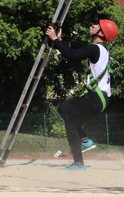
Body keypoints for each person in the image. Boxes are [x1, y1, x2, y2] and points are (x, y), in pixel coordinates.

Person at [44, 19, 118, 169]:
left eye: (97, 25)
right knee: (64, 108)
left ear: (101, 33)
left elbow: (71, 55)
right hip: (99, 97)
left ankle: (78, 163)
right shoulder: (101, 50)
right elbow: (72, 53)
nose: (93, 25)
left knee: (71, 120)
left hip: (97, 97)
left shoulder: (95, 48)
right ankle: (85, 140)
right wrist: (59, 40)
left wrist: (54, 39)